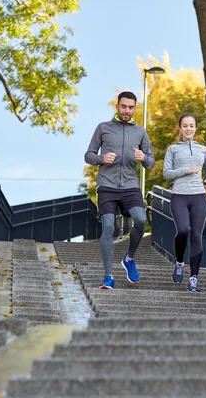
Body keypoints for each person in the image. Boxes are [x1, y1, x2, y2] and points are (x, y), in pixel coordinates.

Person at [84, 91, 155, 289]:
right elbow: (88, 155)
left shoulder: (140, 132)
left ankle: (129, 258)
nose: (127, 111)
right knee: (108, 226)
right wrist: (100, 158)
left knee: (140, 220)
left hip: (130, 187)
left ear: (135, 108)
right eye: (123, 107)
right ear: (117, 106)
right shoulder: (103, 128)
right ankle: (108, 276)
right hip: (107, 185)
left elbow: (151, 162)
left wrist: (143, 158)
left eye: (131, 107)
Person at [163, 114, 206, 292]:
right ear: (180, 128)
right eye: (185, 126)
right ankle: (179, 262)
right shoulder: (172, 149)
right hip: (179, 196)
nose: (188, 129)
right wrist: (187, 170)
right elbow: (166, 173)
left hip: (199, 196)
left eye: (191, 126)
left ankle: (193, 279)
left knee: (196, 235)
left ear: (195, 128)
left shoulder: (203, 149)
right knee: (183, 230)